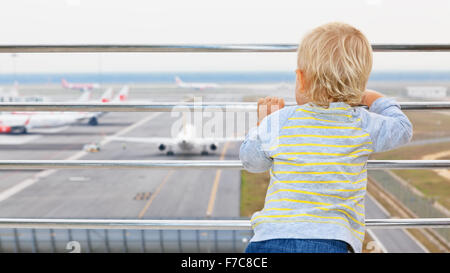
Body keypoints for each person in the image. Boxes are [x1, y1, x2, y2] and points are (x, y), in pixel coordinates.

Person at [239, 22, 413, 253]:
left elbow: (251, 161)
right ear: (361, 83)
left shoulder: (281, 120)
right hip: (332, 242)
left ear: (300, 79)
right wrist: (374, 98)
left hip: (271, 240)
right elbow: (403, 129)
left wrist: (263, 125)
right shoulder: (362, 123)